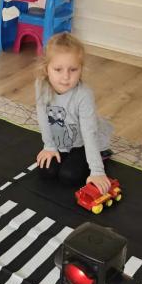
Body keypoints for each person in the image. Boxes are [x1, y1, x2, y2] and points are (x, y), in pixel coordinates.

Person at [35, 32, 114, 193]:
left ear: (81, 69)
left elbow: (89, 133)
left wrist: (97, 171)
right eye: (58, 69)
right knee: (46, 171)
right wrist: (49, 146)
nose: (66, 77)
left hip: (84, 142)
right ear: (46, 68)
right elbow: (43, 117)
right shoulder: (41, 85)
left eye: (73, 69)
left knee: (69, 177)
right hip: (63, 140)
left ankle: (103, 154)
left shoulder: (84, 95)